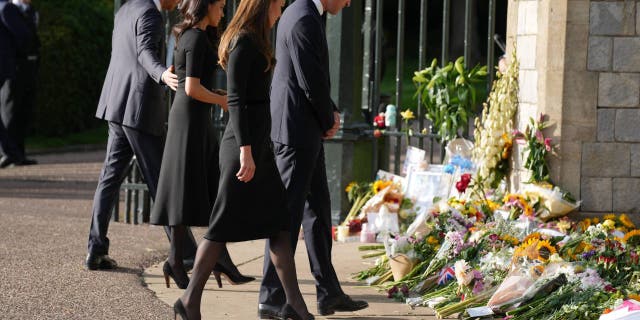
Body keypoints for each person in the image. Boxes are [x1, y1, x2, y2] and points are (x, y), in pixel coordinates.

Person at [174, 0, 313, 319]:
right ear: (263, 6)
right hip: (242, 149)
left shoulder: (256, 39)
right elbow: (235, 98)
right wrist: (246, 152)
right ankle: (189, 300)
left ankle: (295, 305)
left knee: (280, 225)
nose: (280, 12)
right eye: (278, 5)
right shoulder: (243, 41)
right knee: (221, 226)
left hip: (257, 149)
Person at [258, 0, 369, 318]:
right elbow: (310, 79)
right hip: (296, 132)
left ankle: (328, 292)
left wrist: (328, 111)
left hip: (302, 128)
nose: (348, 2)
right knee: (287, 218)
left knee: (318, 212)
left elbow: (312, 74)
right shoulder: (304, 17)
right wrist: (329, 118)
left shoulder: (305, 12)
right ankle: (270, 296)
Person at [150, 0, 254, 290]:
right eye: (220, 5)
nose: (223, 11)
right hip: (189, 121)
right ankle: (190, 259)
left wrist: (216, 94)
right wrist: (222, 99)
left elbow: (192, 83)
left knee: (206, 186)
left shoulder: (195, 36)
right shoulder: (194, 38)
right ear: (206, 6)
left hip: (195, 118)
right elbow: (190, 88)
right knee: (189, 188)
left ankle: (208, 258)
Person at [85, 0, 182, 270]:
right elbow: (144, 53)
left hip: (116, 105)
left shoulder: (126, 8)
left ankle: (95, 249)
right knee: (161, 182)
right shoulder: (149, 13)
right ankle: (183, 253)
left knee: (109, 178)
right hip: (139, 109)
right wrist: (162, 74)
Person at [0, 0, 39, 167]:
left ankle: (16, 153)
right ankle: (9, 153)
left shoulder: (27, 10)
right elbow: (24, 35)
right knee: (10, 110)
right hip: (12, 66)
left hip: (21, 66)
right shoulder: (6, 7)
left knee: (21, 111)